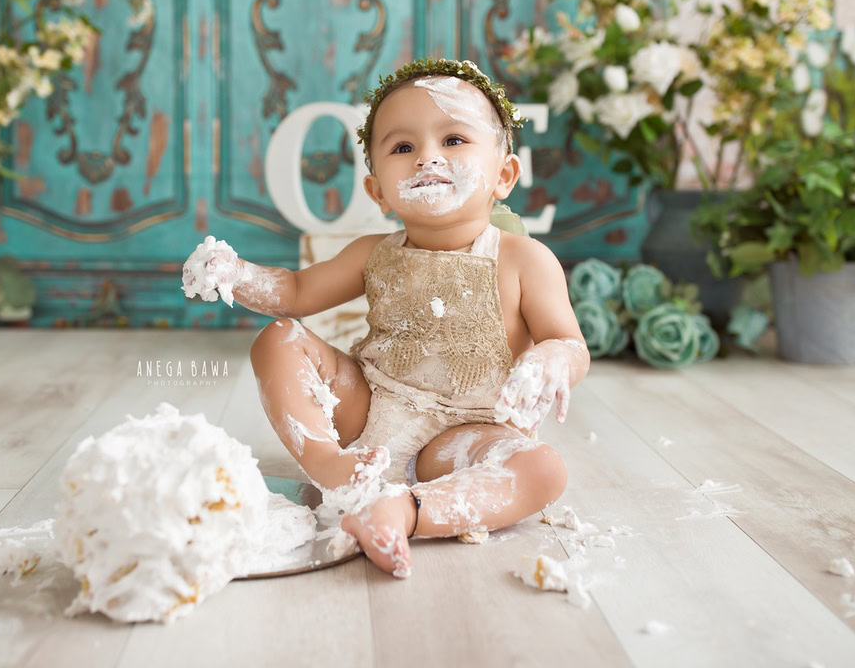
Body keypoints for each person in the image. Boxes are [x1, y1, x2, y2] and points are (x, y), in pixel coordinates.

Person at [182, 57, 589, 579]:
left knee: (542, 469)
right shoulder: (374, 252)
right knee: (279, 338)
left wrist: (551, 358)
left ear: (505, 175)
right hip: (371, 408)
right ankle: (333, 466)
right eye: (403, 147)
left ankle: (403, 511)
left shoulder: (523, 260)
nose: (427, 158)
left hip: (467, 431)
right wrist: (236, 273)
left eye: (454, 140)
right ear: (377, 191)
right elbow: (298, 292)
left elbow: (569, 343)